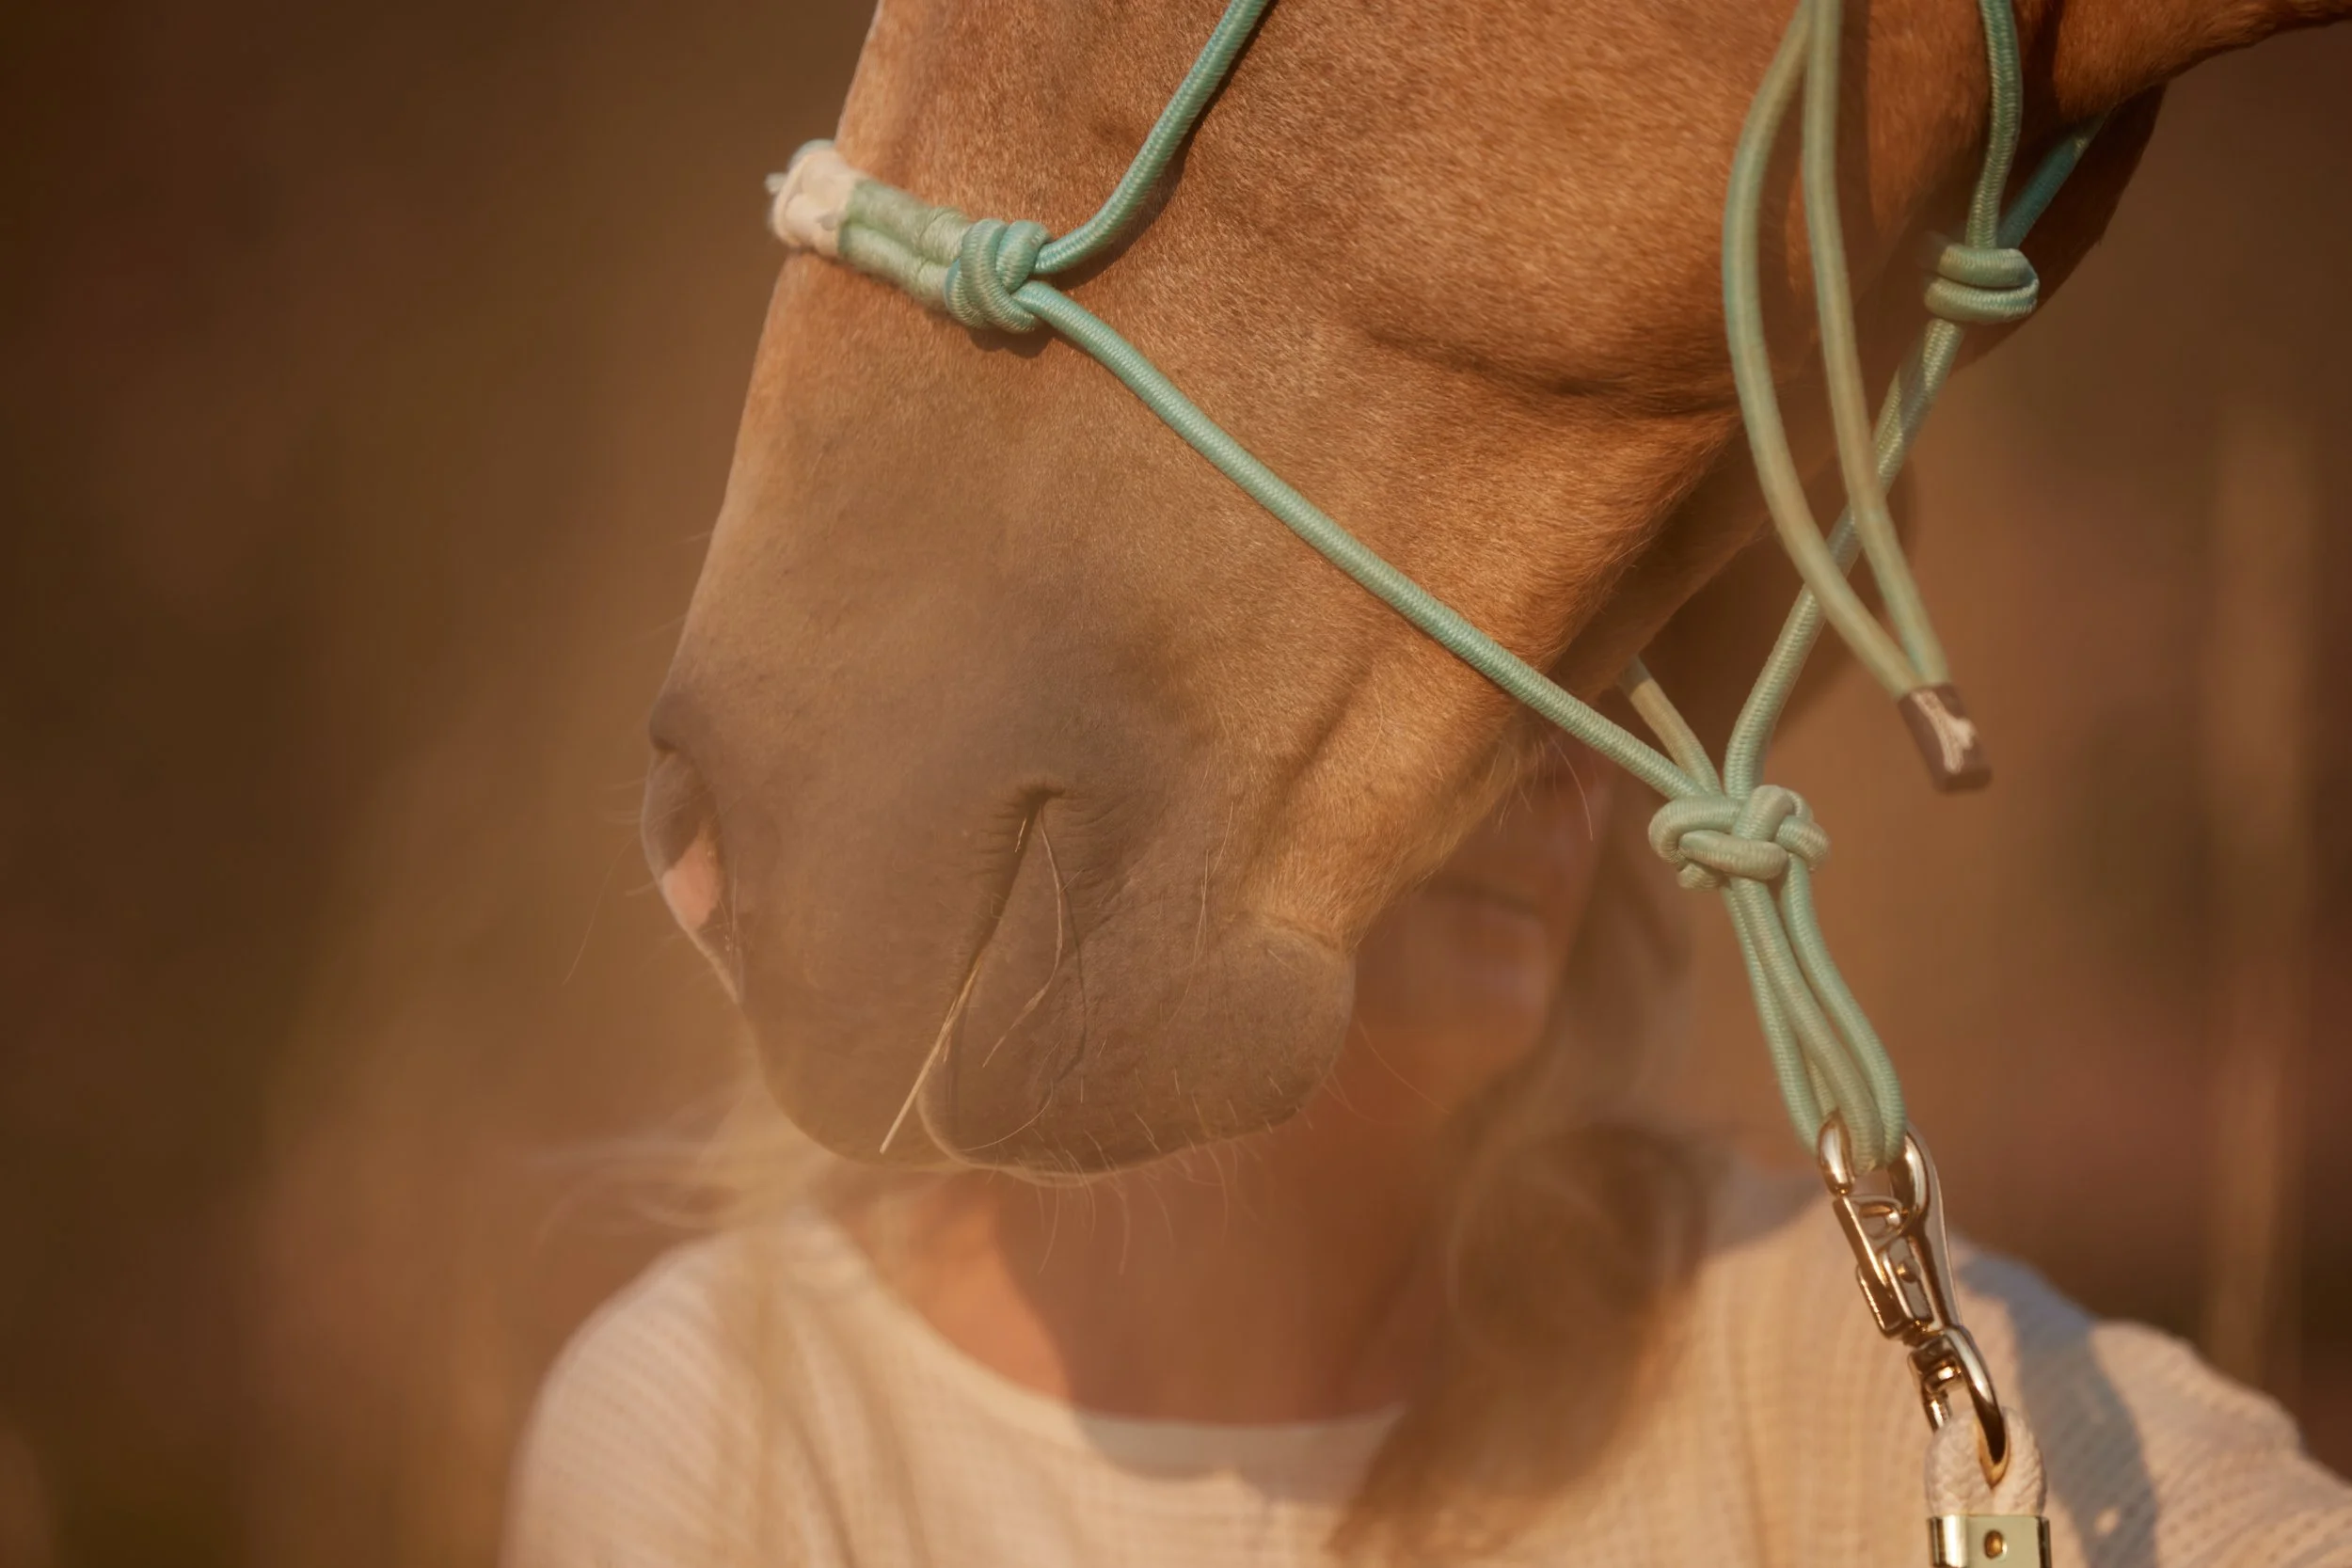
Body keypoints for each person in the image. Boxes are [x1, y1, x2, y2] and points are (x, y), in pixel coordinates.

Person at [503, 748, 2352, 1566]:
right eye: (1431, 647)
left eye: (1586, 644)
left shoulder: (1774, 1343)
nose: (1547, 749)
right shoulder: (729, 1429)